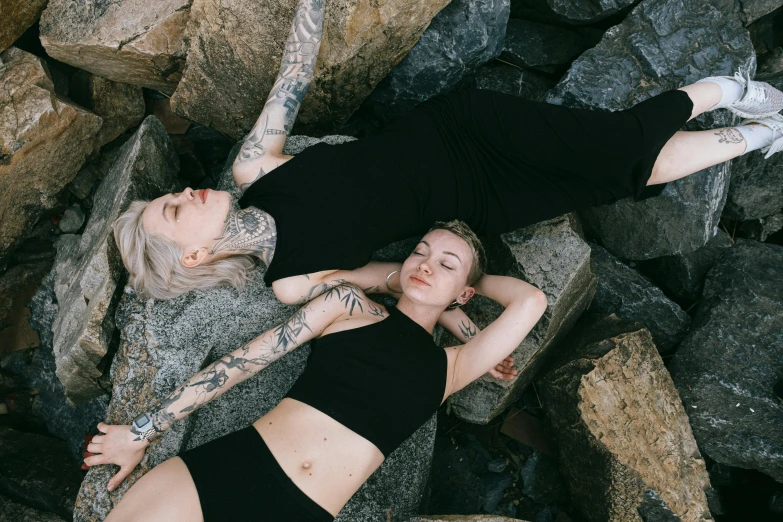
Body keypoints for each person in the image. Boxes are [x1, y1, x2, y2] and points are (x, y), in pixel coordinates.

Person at [114, 0, 783, 306]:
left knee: (617, 146)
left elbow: (295, 72)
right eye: (172, 212)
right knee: (619, 179)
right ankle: (760, 132)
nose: (181, 193)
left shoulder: (252, 167)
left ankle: (719, 88)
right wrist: (462, 324)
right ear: (196, 258)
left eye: (167, 196)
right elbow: (398, 279)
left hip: (464, 132)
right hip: (478, 205)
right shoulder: (291, 283)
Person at [86, 220, 549, 522]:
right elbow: (241, 364)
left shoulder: (453, 366)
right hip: (233, 467)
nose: (426, 265)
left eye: (446, 264)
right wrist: (143, 429)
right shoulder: (347, 304)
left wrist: (462, 289)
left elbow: (531, 301)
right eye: (421, 252)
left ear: (466, 292)